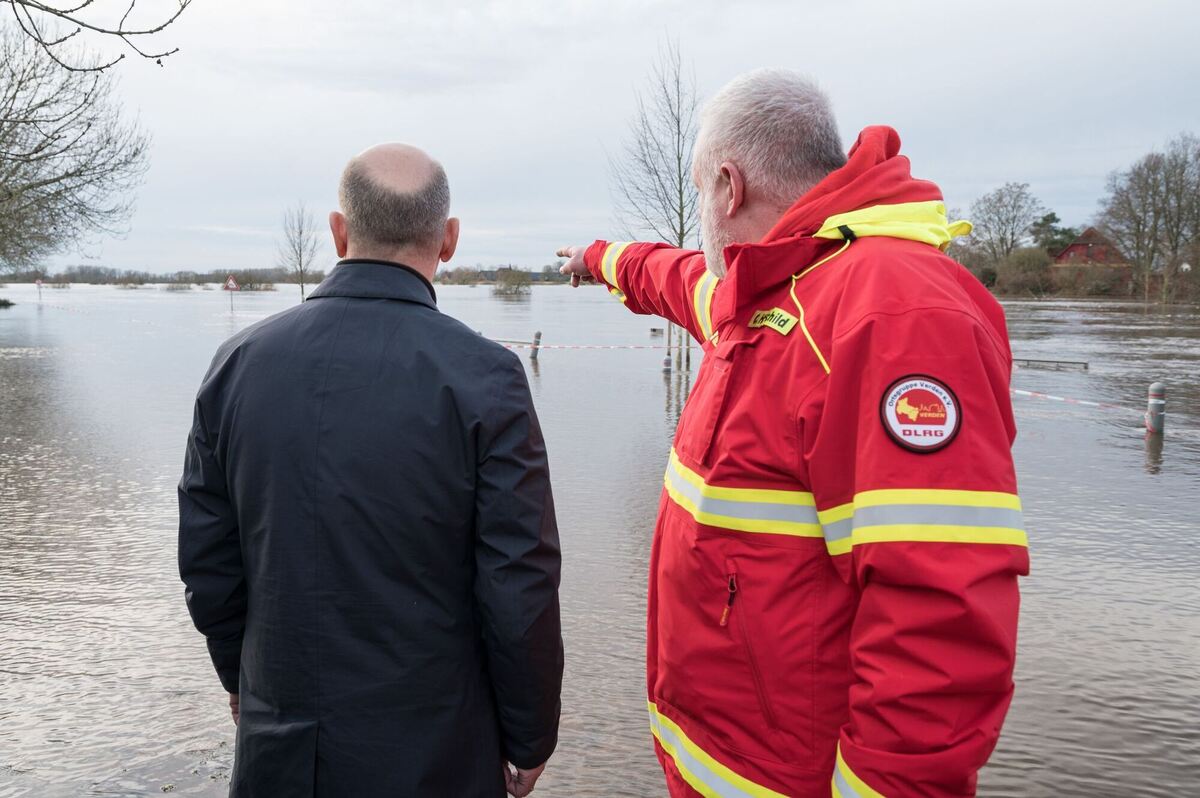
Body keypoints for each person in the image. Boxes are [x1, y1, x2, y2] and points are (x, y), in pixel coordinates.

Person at [559, 70, 1029, 797]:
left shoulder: (893, 313)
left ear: (727, 186)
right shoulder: (773, 291)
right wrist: (599, 261)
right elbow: (678, 278)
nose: (701, 215)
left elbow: (939, 619)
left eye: (698, 194)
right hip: (723, 762)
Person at [179, 144, 563, 798]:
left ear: (338, 231)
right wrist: (529, 735)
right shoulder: (487, 378)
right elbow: (519, 581)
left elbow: (209, 561)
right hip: (436, 752)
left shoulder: (238, 364)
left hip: (281, 743)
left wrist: (242, 681)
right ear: (448, 241)